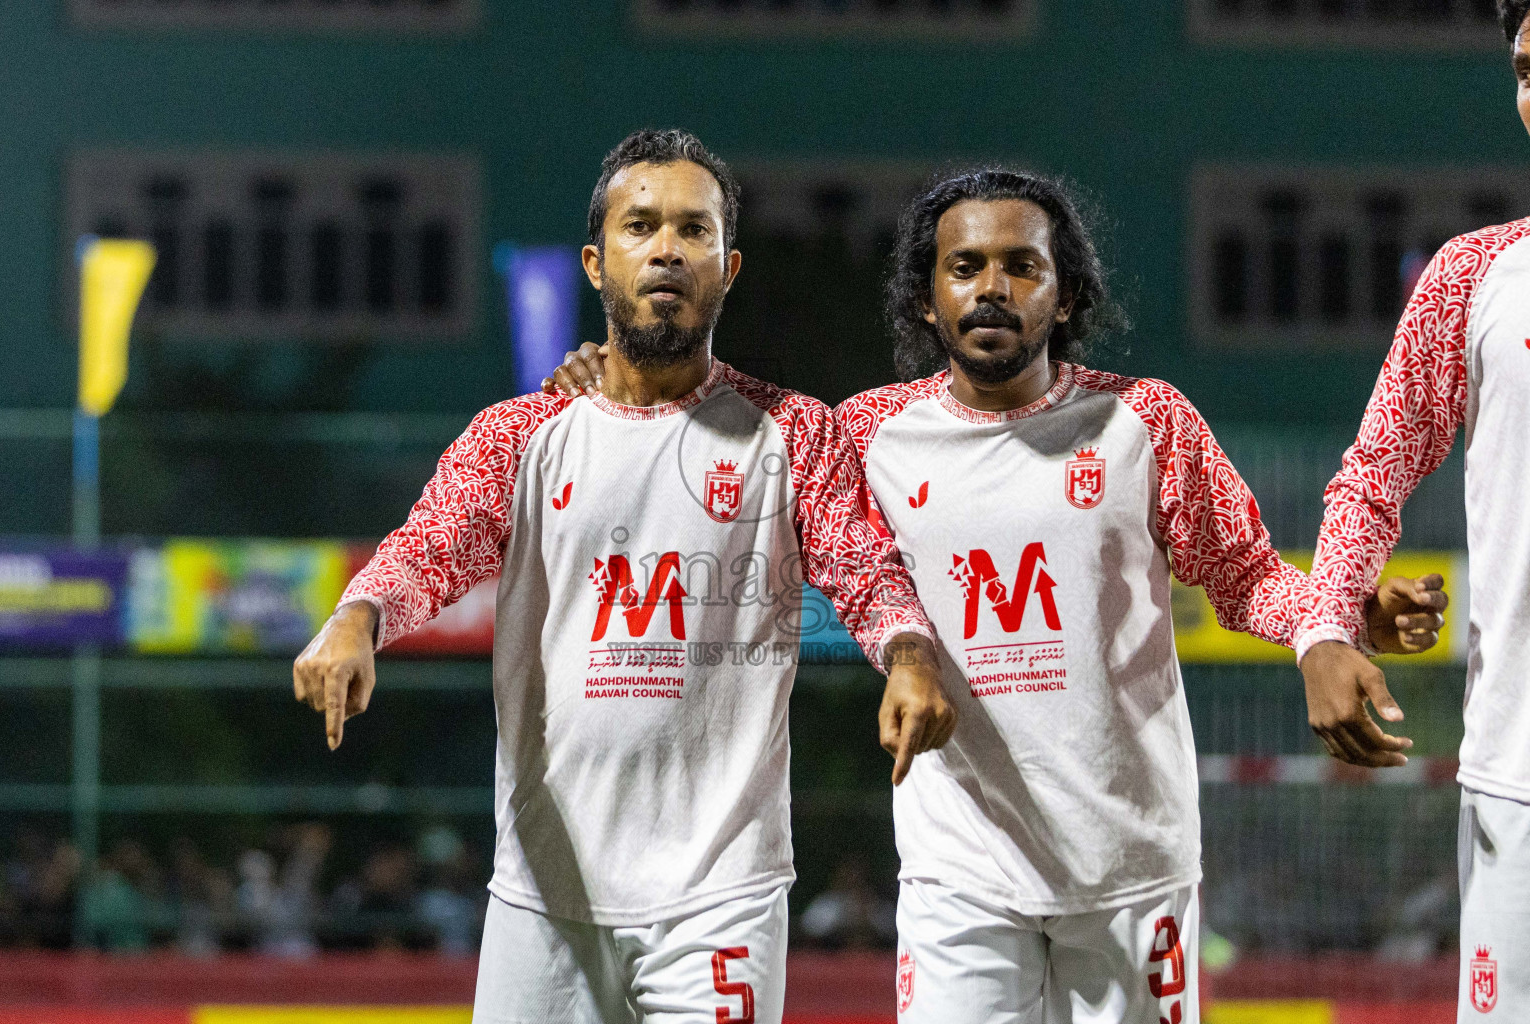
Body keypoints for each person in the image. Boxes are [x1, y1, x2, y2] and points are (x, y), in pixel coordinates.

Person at [548, 167, 1446, 1024]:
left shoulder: (1147, 422)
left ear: (1066, 291)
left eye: (1024, 266)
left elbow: (1243, 575)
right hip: (959, 875)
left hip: (1131, 865)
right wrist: (612, 379)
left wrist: (1334, 621)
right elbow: (716, 466)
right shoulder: (866, 435)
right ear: (927, 293)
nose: (993, 289)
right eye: (965, 266)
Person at [294, 128, 951, 1024]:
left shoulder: (793, 434)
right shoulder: (518, 436)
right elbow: (430, 544)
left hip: (721, 891)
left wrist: (909, 654)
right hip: (544, 894)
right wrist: (359, 616)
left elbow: (866, 567)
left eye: (695, 229)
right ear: (598, 264)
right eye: (642, 226)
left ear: (730, 266)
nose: (669, 248)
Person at [1295, 3, 1530, 1016]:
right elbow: (1371, 475)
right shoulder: (1473, 279)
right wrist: (1327, 623)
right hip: (1519, 782)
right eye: (1527, 66)